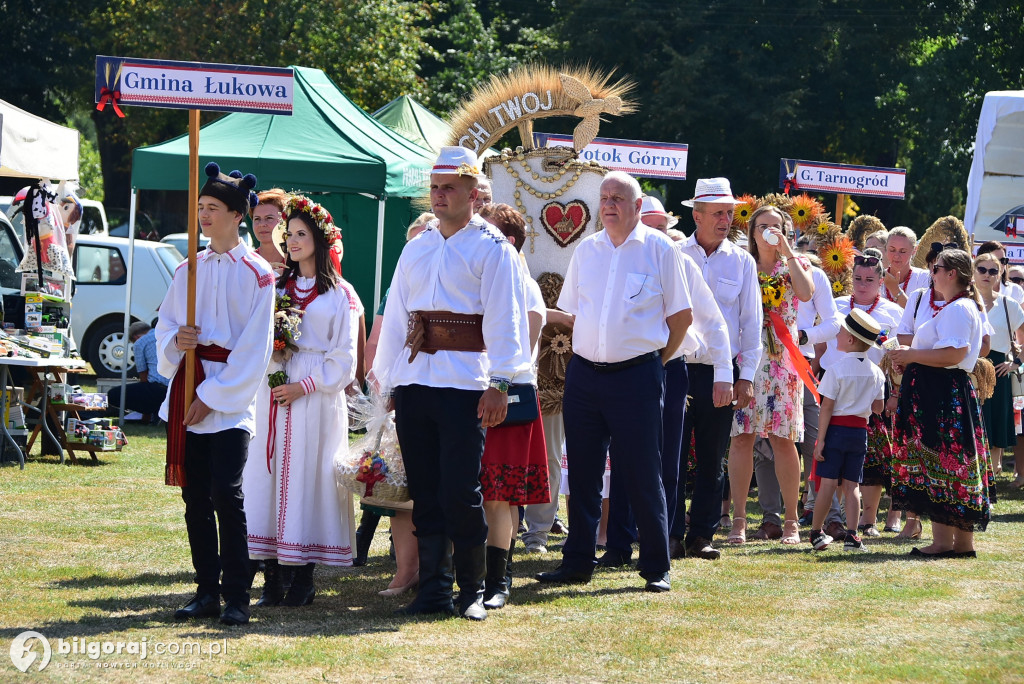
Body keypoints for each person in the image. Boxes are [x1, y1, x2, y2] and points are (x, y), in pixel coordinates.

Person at [372, 147, 523, 621]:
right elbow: (397, 316)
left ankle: (472, 590)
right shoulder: (416, 246)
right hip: (417, 382)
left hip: (465, 386)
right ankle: (433, 589)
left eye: (449, 188)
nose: (439, 196)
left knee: (461, 489)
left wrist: (500, 383)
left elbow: (505, 319)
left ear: (474, 195)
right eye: (435, 188)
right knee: (425, 488)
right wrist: (389, 380)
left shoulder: (493, 247)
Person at [535, 171, 692, 593]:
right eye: (604, 197)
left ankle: (656, 567)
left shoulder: (660, 250)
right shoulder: (587, 250)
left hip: (638, 375)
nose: (609, 205)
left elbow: (682, 318)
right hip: (585, 374)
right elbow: (572, 311)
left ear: (638, 206)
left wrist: (656, 362)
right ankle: (577, 562)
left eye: (618, 198)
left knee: (642, 472)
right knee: (583, 474)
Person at [156, 162, 275, 626]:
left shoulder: (258, 273)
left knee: (227, 493)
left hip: (229, 399)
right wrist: (176, 342)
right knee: (195, 496)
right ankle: (205, 590)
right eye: (200, 207)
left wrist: (214, 394)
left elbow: (255, 347)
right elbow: (166, 323)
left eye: (213, 208)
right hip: (189, 382)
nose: (203, 215)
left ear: (236, 214)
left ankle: (238, 597)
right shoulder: (188, 267)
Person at [243, 195, 361, 607]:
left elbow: (345, 359)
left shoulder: (340, 295)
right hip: (274, 390)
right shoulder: (277, 286)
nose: (291, 242)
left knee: (307, 480)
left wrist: (304, 386)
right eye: (288, 234)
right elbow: (259, 335)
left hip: (315, 399)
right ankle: (271, 576)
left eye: (300, 234)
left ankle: (302, 577)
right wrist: (276, 369)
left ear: (319, 239)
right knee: (268, 476)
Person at [602, 191, 730, 564]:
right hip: (621, 370)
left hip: (669, 368)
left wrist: (724, 371)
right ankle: (619, 543)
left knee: (666, 462)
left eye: (662, 228)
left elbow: (712, 321)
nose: (657, 236)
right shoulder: (613, 258)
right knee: (623, 458)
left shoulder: (679, 261)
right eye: (651, 227)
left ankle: (665, 540)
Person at [671, 178, 762, 554]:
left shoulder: (742, 260)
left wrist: (746, 377)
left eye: (730, 212)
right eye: (719, 212)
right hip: (675, 367)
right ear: (697, 215)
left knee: (712, 457)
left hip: (718, 373)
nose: (727, 219)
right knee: (670, 455)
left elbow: (751, 323)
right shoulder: (674, 253)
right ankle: (671, 533)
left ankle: (702, 536)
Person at [887, 248, 992, 558]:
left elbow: (954, 354)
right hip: (940, 391)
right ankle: (955, 544)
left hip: (942, 394)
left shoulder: (959, 309)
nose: (932, 272)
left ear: (952, 274)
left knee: (945, 462)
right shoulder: (957, 307)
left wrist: (911, 356)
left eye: (938, 268)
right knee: (946, 463)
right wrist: (910, 360)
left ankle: (948, 543)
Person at [728, 205, 814, 546]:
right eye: (762, 226)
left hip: (783, 360)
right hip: (748, 357)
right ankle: (738, 521)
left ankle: (791, 521)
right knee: (741, 436)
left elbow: (805, 294)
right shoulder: (741, 264)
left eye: (776, 226)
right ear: (752, 231)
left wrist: (788, 251)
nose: (769, 231)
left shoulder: (795, 263)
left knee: (783, 439)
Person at [476, 202, 548, 609]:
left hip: (509, 392)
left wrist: (497, 381)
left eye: (486, 231)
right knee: (472, 489)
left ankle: (498, 580)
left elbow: (523, 347)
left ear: (509, 241)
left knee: (499, 493)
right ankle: (468, 575)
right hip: (468, 389)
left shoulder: (524, 283)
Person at [356, 212, 433, 573]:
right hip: (396, 383)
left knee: (408, 474)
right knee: (387, 469)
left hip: (428, 383)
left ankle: (408, 554)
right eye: (411, 242)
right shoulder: (398, 285)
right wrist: (380, 384)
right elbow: (377, 338)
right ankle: (372, 539)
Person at [756, 246, 839, 542]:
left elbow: (833, 323)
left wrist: (804, 336)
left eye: (782, 231)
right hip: (761, 362)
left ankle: (829, 516)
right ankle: (770, 519)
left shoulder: (813, 274)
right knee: (763, 446)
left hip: (799, 366)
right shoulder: (754, 268)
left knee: (812, 443)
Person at [819, 248, 905, 536]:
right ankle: (830, 516)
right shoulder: (836, 306)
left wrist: (895, 392)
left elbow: (896, 356)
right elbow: (822, 345)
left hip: (872, 392)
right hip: (835, 388)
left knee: (875, 460)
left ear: (881, 281)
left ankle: (869, 520)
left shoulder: (893, 312)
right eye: (857, 278)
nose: (863, 284)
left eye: (869, 279)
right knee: (830, 455)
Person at [809, 310, 887, 552]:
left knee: (829, 484)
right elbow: (878, 408)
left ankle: (815, 532)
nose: (837, 335)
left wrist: (820, 440)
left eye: (841, 332)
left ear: (851, 339)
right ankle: (853, 536)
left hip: (836, 431)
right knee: (853, 484)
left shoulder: (835, 369)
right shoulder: (877, 372)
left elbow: (827, 407)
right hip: (859, 433)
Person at [974, 250, 1024, 480]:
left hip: (998, 371)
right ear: (973, 271)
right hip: (969, 369)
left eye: (993, 271)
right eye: (982, 269)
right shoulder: (964, 302)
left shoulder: (1009, 304)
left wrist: (1016, 362)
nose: (987, 274)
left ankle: (990, 483)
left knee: (996, 429)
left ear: (1000, 273)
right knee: (973, 426)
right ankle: (974, 480)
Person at [108, 322, 169, 421]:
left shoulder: (140, 343)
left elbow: (143, 375)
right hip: (175, 387)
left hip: (158, 389)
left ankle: (151, 411)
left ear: (136, 337)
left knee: (113, 395)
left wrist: (146, 413)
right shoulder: (165, 335)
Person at [882, 227, 930, 307]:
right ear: (886, 248)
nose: (896, 256)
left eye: (903, 251)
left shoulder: (925, 278)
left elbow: (920, 315)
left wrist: (895, 290)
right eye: (892, 250)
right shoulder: (876, 277)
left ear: (914, 250)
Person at [252, 188, 288, 273]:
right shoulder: (246, 263)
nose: (262, 224)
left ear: (284, 221)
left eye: (269, 218)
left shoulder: (298, 263)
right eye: (257, 219)